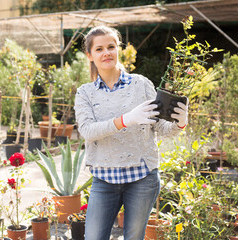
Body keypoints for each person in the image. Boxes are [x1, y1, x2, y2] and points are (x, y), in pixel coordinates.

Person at [74, 26, 189, 240]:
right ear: (90, 55)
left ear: (118, 49)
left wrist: (180, 123)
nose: (106, 52)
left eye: (111, 46)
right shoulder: (85, 93)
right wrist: (126, 120)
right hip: (104, 177)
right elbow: (87, 131)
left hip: (142, 177)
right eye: (99, 49)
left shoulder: (141, 84)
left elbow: (161, 128)